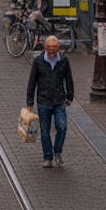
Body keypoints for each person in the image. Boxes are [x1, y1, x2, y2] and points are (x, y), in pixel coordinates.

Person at [25, 36, 75, 168]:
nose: (51, 50)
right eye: (49, 48)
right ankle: (48, 157)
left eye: (54, 48)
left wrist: (70, 96)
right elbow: (32, 82)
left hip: (59, 100)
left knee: (62, 127)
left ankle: (57, 151)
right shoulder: (38, 61)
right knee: (45, 131)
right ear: (45, 48)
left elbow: (68, 78)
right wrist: (29, 102)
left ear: (58, 47)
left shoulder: (63, 60)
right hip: (43, 100)